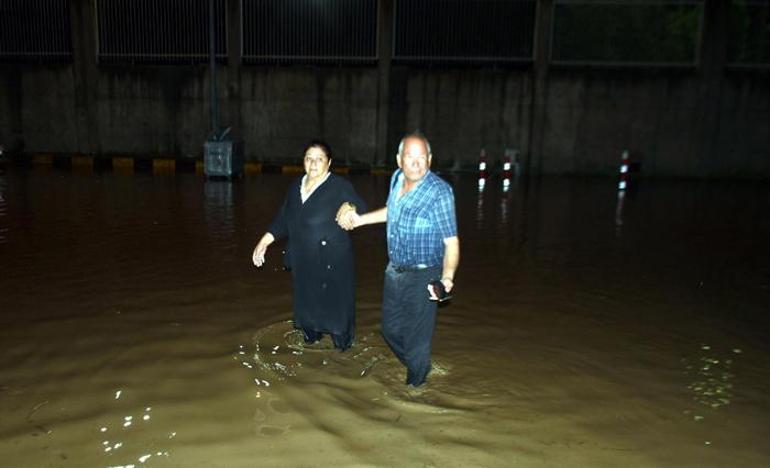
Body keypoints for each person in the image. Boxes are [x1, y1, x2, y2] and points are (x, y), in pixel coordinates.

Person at [337, 132, 459, 386]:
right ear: (399, 160)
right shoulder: (397, 178)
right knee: (390, 331)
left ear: (430, 159)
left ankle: (416, 390)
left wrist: (446, 278)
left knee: (416, 342)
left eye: (422, 157)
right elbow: (393, 211)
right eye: (409, 157)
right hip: (394, 271)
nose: (415, 163)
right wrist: (360, 220)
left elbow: (451, 242)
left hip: (426, 274)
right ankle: (421, 365)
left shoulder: (440, 193)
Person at [252, 140, 366, 351]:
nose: (313, 163)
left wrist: (349, 206)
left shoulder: (339, 186)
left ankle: (344, 355)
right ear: (303, 161)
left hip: (333, 262)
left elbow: (360, 205)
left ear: (329, 163)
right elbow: (284, 218)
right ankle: (311, 344)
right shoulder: (296, 186)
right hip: (303, 261)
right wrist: (264, 242)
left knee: (337, 314)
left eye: (319, 159)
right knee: (308, 311)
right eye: (309, 158)